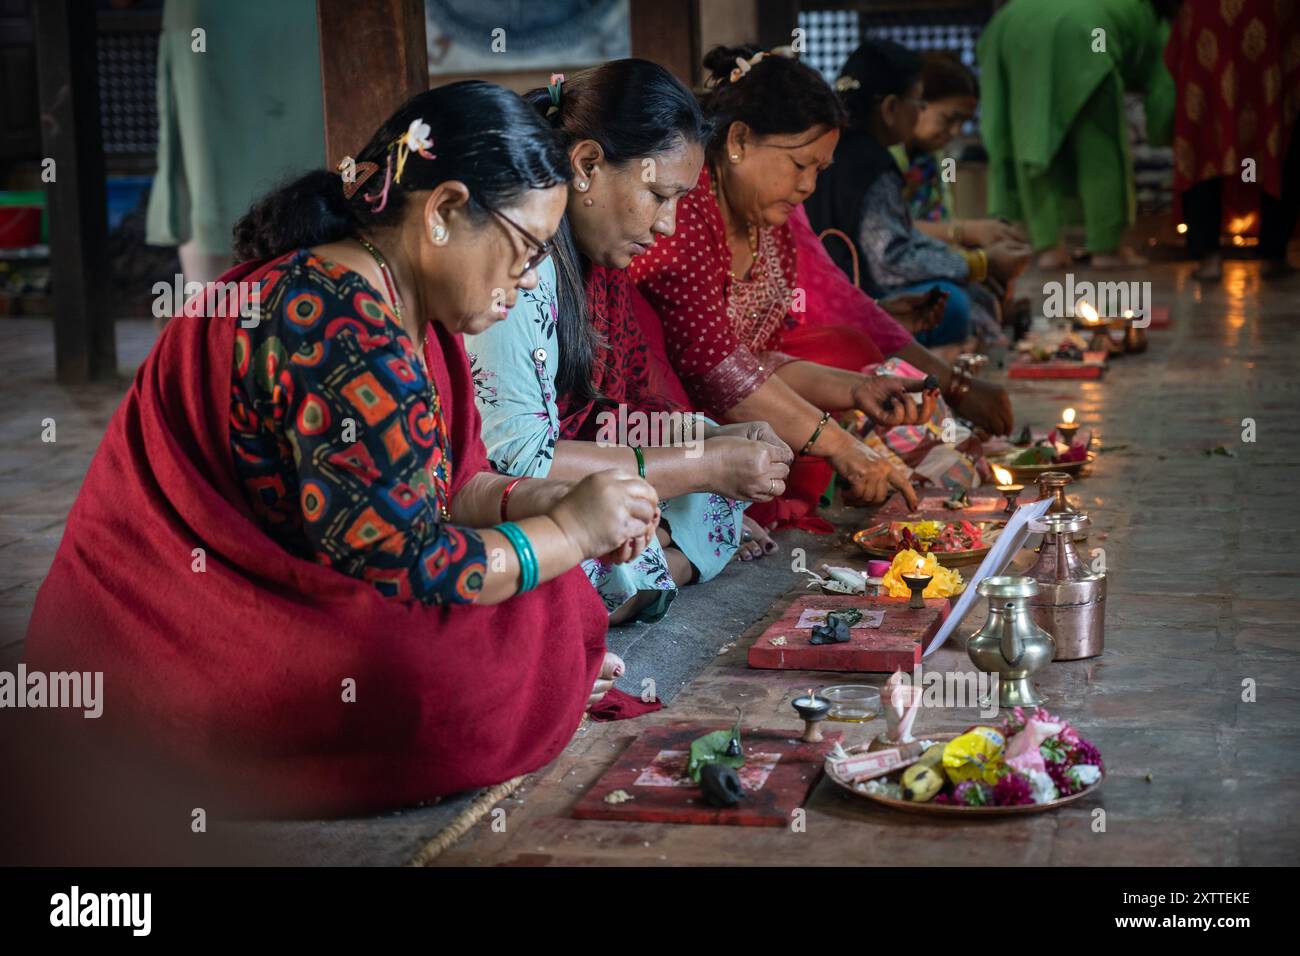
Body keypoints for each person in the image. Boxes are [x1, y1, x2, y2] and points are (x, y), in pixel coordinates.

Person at [24, 82, 661, 816]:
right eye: (523, 252)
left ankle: (539, 668)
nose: (526, 281)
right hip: (171, 636)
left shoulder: (391, 302)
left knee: (544, 591)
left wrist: (548, 502)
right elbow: (415, 569)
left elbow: (447, 485)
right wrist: (573, 531)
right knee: (449, 665)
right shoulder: (339, 329)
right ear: (446, 211)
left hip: (283, 590)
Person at [630, 46, 1014, 530]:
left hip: (724, 404)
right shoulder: (688, 211)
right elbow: (715, 368)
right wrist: (841, 445)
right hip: (660, 408)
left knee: (830, 388)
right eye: (799, 165)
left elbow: (757, 358)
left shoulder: (767, 222)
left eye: (819, 171)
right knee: (781, 461)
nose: (809, 186)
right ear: (740, 141)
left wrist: (858, 390)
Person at [465, 61, 793, 623]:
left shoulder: (598, 263)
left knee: (704, 492)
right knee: (584, 552)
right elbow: (518, 461)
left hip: (556, 486)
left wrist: (710, 436)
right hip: (492, 502)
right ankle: (665, 568)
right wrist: (702, 465)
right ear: (588, 164)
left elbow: (603, 415)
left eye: (679, 202)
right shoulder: (523, 261)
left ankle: (655, 563)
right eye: (658, 195)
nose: (667, 224)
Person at [804, 39, 1030, 351]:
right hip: (845, 300)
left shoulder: (849, 150)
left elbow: (901, 235)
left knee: (964, 293)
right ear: (891, 108)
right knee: (951, 305)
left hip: (832, 293)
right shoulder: (870, 162)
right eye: (918, 103)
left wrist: (972, 261)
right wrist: (978, 263)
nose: (920, 112)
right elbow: (891, 260)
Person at [977, 0, 1176, 270]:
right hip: (1085, 36)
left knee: (1030, 141)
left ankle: (1047, 248)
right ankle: (1106, 249)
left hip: (1011, 25)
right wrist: (1165, 137)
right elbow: (1164, 92)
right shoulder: (1157, 21)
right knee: (1101, 148)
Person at [1164, 0, 1299, 281]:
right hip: (1269, 23)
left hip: (1209, 21)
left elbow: (1176, 53)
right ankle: (1273, 255)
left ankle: (1208, 258)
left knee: (1203, 141)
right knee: (1278, 139)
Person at [890, 51, 1023, 251]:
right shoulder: (882, 157)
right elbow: (887, 228)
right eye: (950, 118)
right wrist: (965, 231)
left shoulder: (937, 159)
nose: (955, 132)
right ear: (916, 102)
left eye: (963, 122)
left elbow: (944, 215)